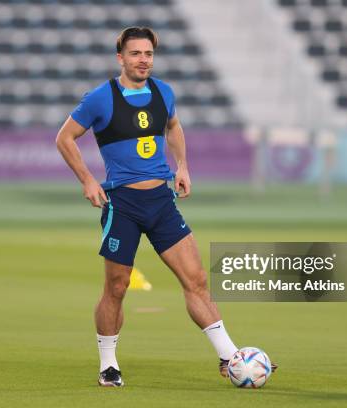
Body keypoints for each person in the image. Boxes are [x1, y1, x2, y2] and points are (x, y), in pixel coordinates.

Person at [56, 26, 275, 387]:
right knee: (117, 287)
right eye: (136, 54)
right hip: (122, 203)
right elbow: (64, 138)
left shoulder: (163, 93)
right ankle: (109, 364)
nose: (143, 60)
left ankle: (230, 357)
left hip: (161, 202)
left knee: (197, 280)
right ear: (121, 58)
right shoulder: (101, 98)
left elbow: (173, 127)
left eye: (149, 54)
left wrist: (183, 166)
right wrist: (87, 179)